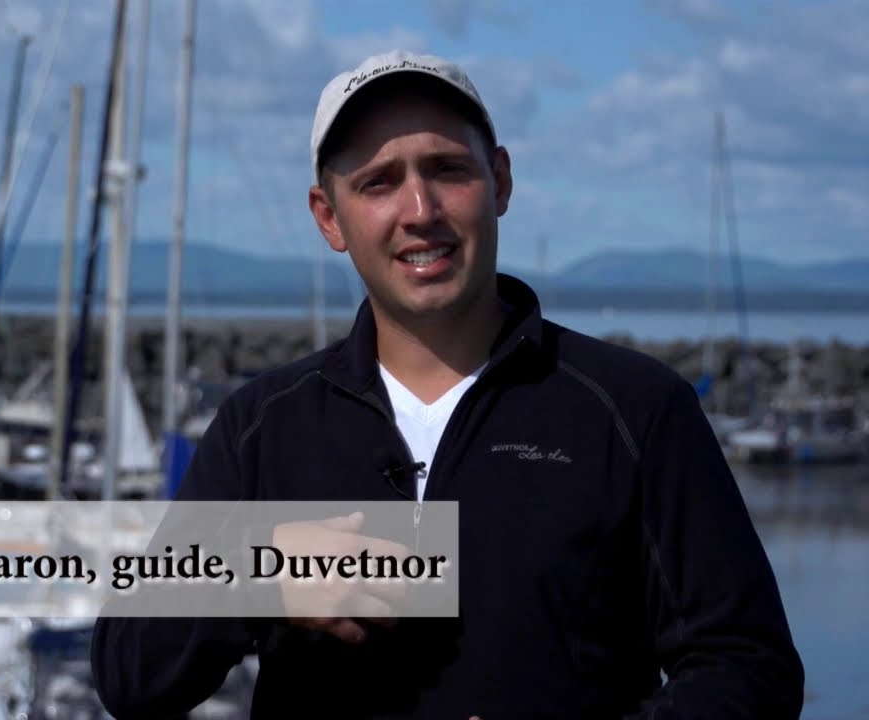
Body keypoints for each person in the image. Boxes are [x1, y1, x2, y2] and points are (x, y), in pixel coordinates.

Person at [90, 49, 804, 719]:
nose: (420, 210)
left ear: (501, 181)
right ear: (329, 218)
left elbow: (749, 667)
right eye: (378, 182)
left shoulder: (636, 409)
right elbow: (129, 676)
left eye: (447, 169)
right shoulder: (261, 425)